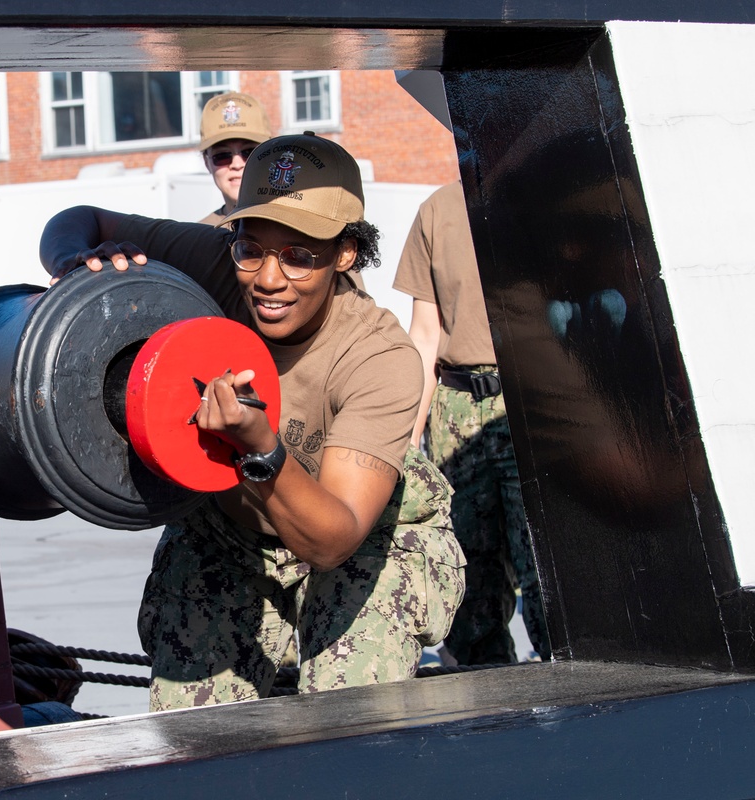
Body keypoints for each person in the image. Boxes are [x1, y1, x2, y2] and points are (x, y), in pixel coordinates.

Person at [40, 132, 465, 711]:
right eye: (252, 249)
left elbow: (332, 539)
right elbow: (79, 217)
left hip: (365, 537)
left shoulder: (378, 358)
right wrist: (72, 262)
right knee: (192, 729)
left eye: (299, 255)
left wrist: (258, 450)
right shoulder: (218, 262)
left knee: (353, 717)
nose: (268, 278)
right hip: (233, 530)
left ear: (345, 253)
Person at [393, 180, 549, 665]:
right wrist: (407, 438)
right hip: (457, 408)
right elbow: (425, 334)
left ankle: (582, 698)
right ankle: (487, 716)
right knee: (467, 581)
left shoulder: (555, 189)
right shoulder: (439, 209)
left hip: (536, 399)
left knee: (548, 573)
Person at [196, 92, 273, 225]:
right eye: (222, 156)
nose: (237, 164)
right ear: (206, 162)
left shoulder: (302, 229)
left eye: (250, 152)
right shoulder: (197, 239)